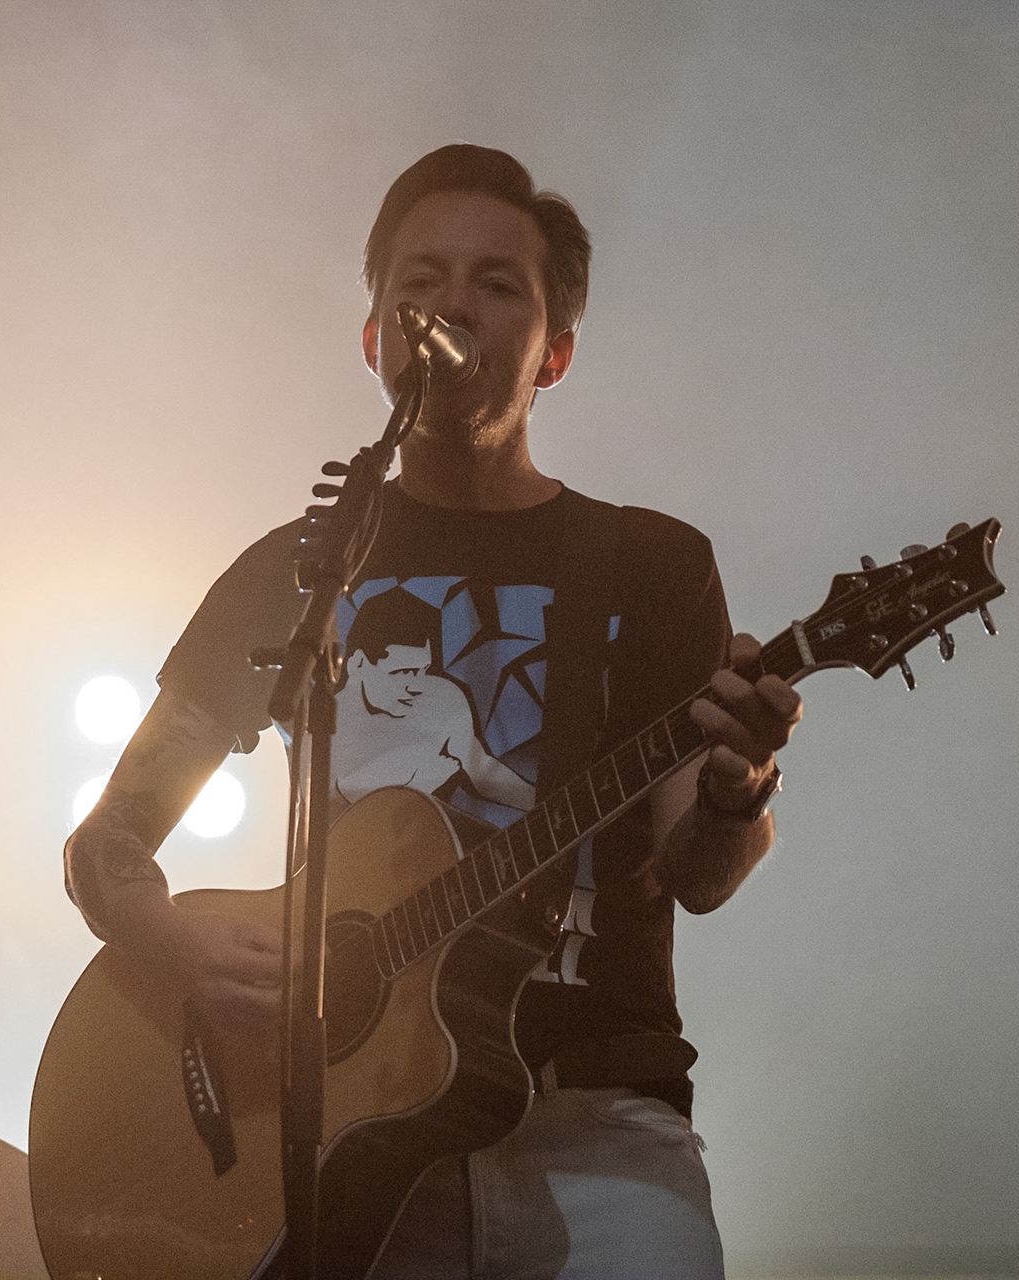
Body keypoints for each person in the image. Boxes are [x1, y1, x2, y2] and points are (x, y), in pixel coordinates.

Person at [63, 144, 802, 1280]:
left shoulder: (651, 563)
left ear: (553, 354)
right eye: (420, 280)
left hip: (595, 1131)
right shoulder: (293, 575)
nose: (452, 302)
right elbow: (107, 842)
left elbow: (697, 872)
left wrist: (737, 784)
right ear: (373, 338)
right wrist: (177, 938)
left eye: (497, 283)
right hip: (341, 1142)